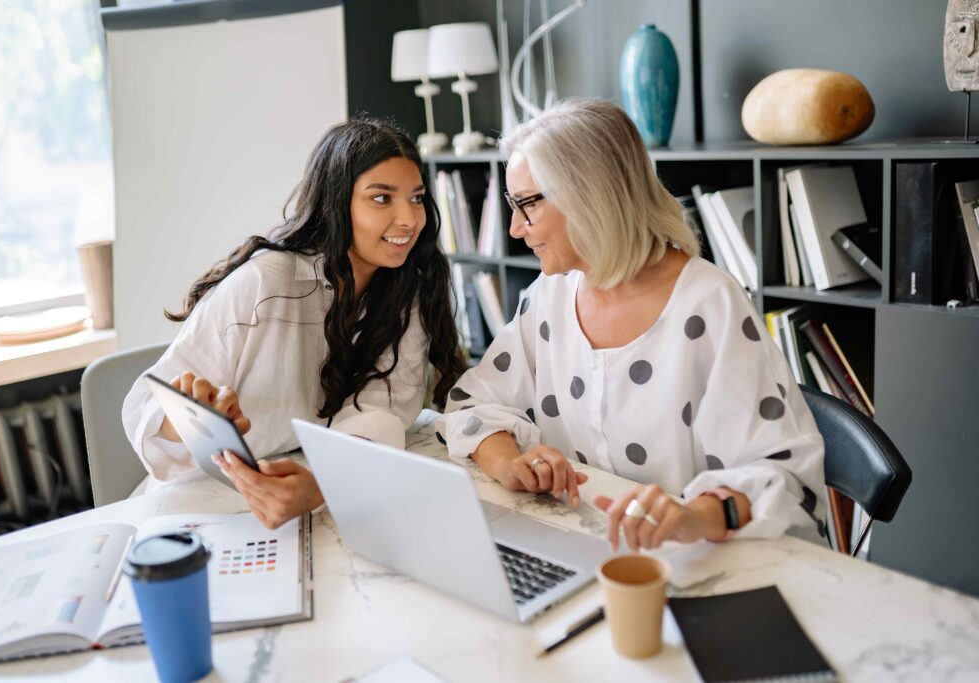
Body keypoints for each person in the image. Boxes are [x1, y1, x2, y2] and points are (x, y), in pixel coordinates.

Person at [437, 99, 826, 552]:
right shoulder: (549, 297)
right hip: (583, 548)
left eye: (526, 205)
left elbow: (784, 473)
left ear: (587, 197)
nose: (516, 228)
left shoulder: (709, 304)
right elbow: (472, 404)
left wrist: (692, 515)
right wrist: (512, 464)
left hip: (699, 563)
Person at [123, 118, 465, 529]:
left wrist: (325, 483)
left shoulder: (406, 290)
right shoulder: (266, 282)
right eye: (381, 199)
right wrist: (194, 417)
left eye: (416, 198)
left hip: (308, 487)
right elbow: (144, 408)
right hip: (204, 506)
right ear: (337, 202)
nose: (409, 219)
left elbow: (383, 411)